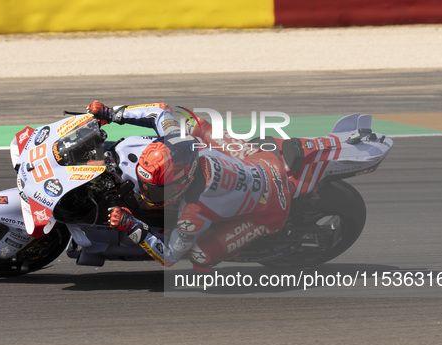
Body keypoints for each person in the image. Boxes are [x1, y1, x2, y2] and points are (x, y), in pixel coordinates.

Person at [87, 101, 291, 271]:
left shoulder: (193, 213)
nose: (146, 192)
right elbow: (160, 110)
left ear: (182, 182)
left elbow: (169, 257)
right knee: (195, 124)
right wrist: (110, 113)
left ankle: (221, 261)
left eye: (159, 189)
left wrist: (131, 224)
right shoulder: (178, 139)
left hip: (271, 208)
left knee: (199, 255)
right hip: (264, 161)